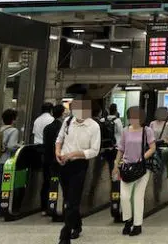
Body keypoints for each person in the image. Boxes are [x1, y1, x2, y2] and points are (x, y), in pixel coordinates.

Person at [55, 94, 101, 244]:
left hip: (79, 165)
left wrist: (74, 154)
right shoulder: (68, 121)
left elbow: (94, 150)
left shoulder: (93, 126)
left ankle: (65, 234)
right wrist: (58, 152)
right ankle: (77, 224)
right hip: (64, 164)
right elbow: (59, 139)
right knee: (68, 198)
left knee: (73, 201)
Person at [112, 107, 155, 237]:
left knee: (138, 197)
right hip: (126, 167)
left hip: (142, 168)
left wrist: (142, 158)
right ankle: (127, 220)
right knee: (124, 197)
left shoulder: (147, 131)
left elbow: (152, 148)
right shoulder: (125, 131)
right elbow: (121, 149)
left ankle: (137, 225)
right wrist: (116, 165)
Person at [41, 104, 65, 215]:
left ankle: (45, 207)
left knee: (47, 182)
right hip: (58, 159)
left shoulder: (47, 128)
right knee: (58, 183)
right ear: (62, 114)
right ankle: (57, 205)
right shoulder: (62, 128)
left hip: (47, 158)